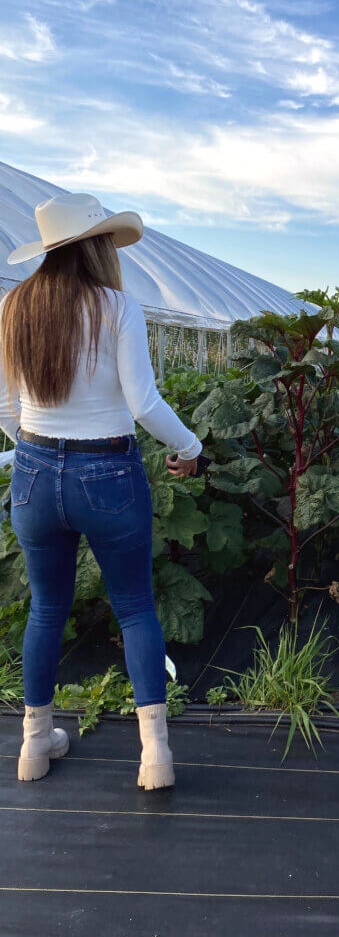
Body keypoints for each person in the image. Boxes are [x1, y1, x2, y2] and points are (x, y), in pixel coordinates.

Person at [0, 192, 204, 790]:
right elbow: (143, 403)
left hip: (34, 476)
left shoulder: (14, 307)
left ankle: (34, 745)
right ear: (93, 247)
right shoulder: (117, 306)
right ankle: (155, 756)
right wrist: (190, 448)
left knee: (45, 608)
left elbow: (6, 407)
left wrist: (39, 445)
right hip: (108, 473)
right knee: (136, 606)